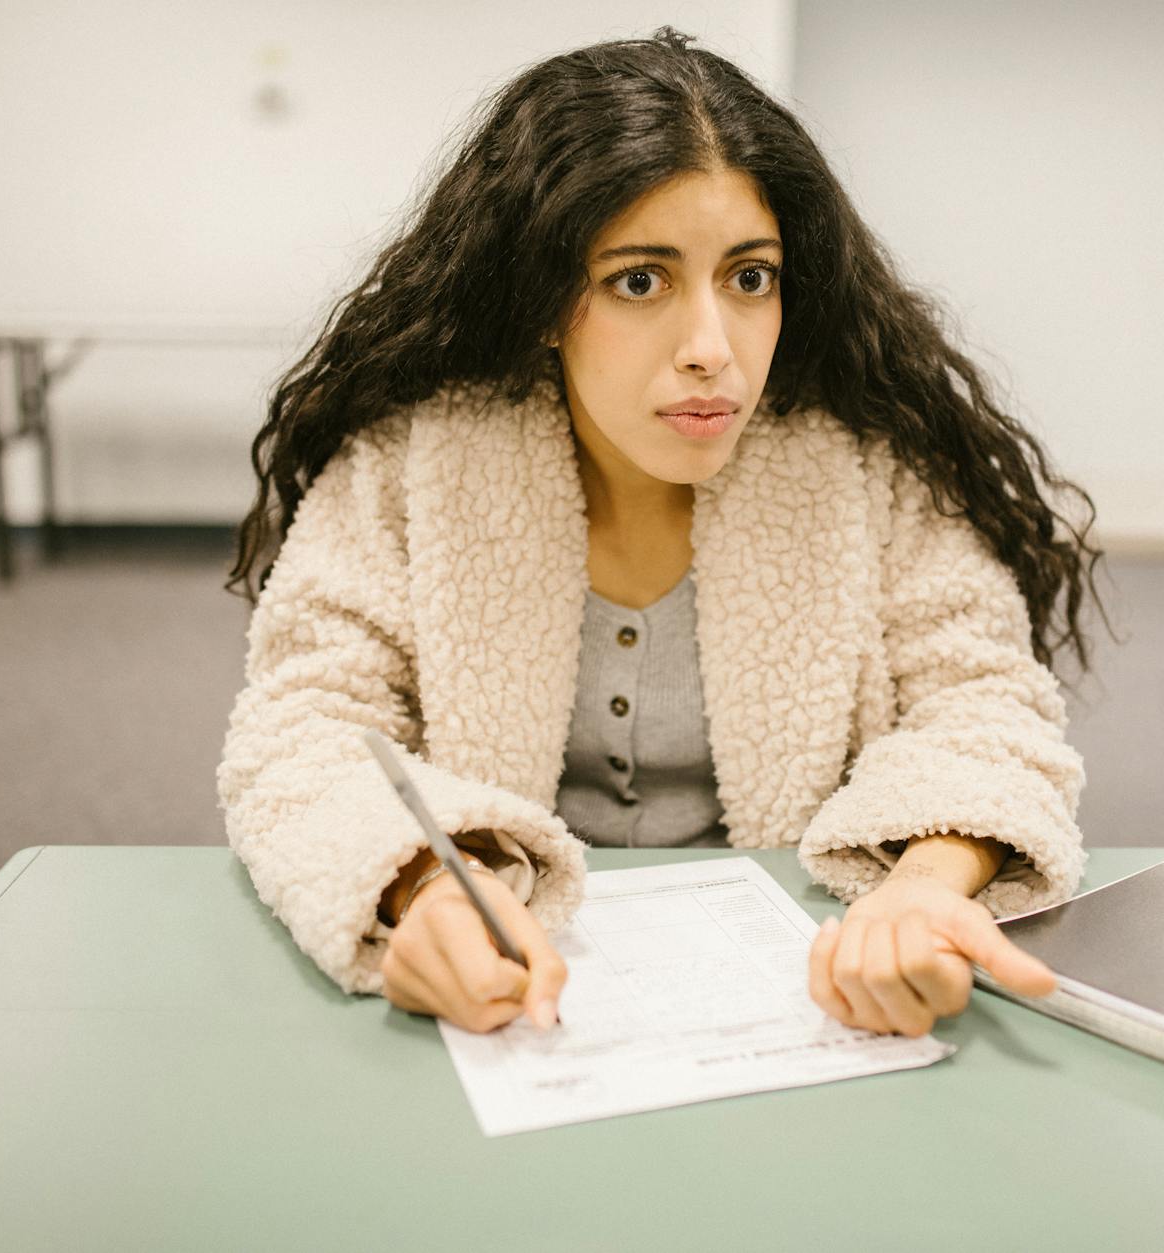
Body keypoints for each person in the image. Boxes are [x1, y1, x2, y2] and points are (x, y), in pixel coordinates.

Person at [217, 26, 1107, 1043]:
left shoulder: (862, 464)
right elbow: (299, 730)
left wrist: (921, 885)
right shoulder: (411, 461)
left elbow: (983, 702)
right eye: (639, 280)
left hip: (805, 997)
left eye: (748, 279)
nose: (709, 351)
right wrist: (419, 888)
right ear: (547, 297)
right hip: (516, 1007)